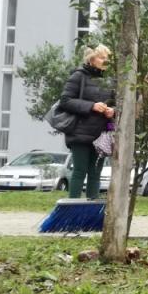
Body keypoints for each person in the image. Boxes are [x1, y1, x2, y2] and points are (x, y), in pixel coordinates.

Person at [58, 44, 115, 200]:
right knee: (79, 170)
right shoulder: (79, 76)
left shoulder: (111, 79)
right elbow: (65, 100)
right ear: (91, 59)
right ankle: (71, 208)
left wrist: (113, 110)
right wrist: (92, 106)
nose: (106, 61)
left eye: (107, 58)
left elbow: (118, 102)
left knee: (95, 173)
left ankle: (91, 209)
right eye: (102, 57)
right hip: (80, 133)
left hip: (101, 134)